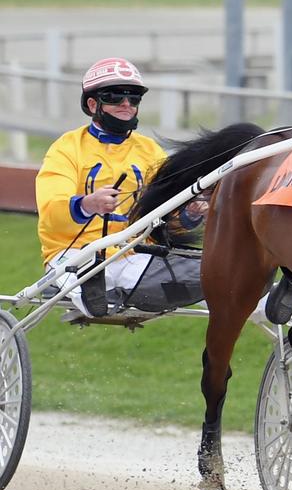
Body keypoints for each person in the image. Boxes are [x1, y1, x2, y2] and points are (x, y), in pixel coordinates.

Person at [35, 57, 204, 317]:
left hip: (134, 254)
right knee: (90, 269)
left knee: (213, 269)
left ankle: (263, 290)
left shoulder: (150, 151)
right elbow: (51, 212)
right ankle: (91, 287)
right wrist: (87, 204)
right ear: (93, 104)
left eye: (133, 98)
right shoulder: (66, 148)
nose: (126, 105)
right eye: (115, 97)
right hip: (74, 253)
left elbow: (164, 220)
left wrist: (188, 215)